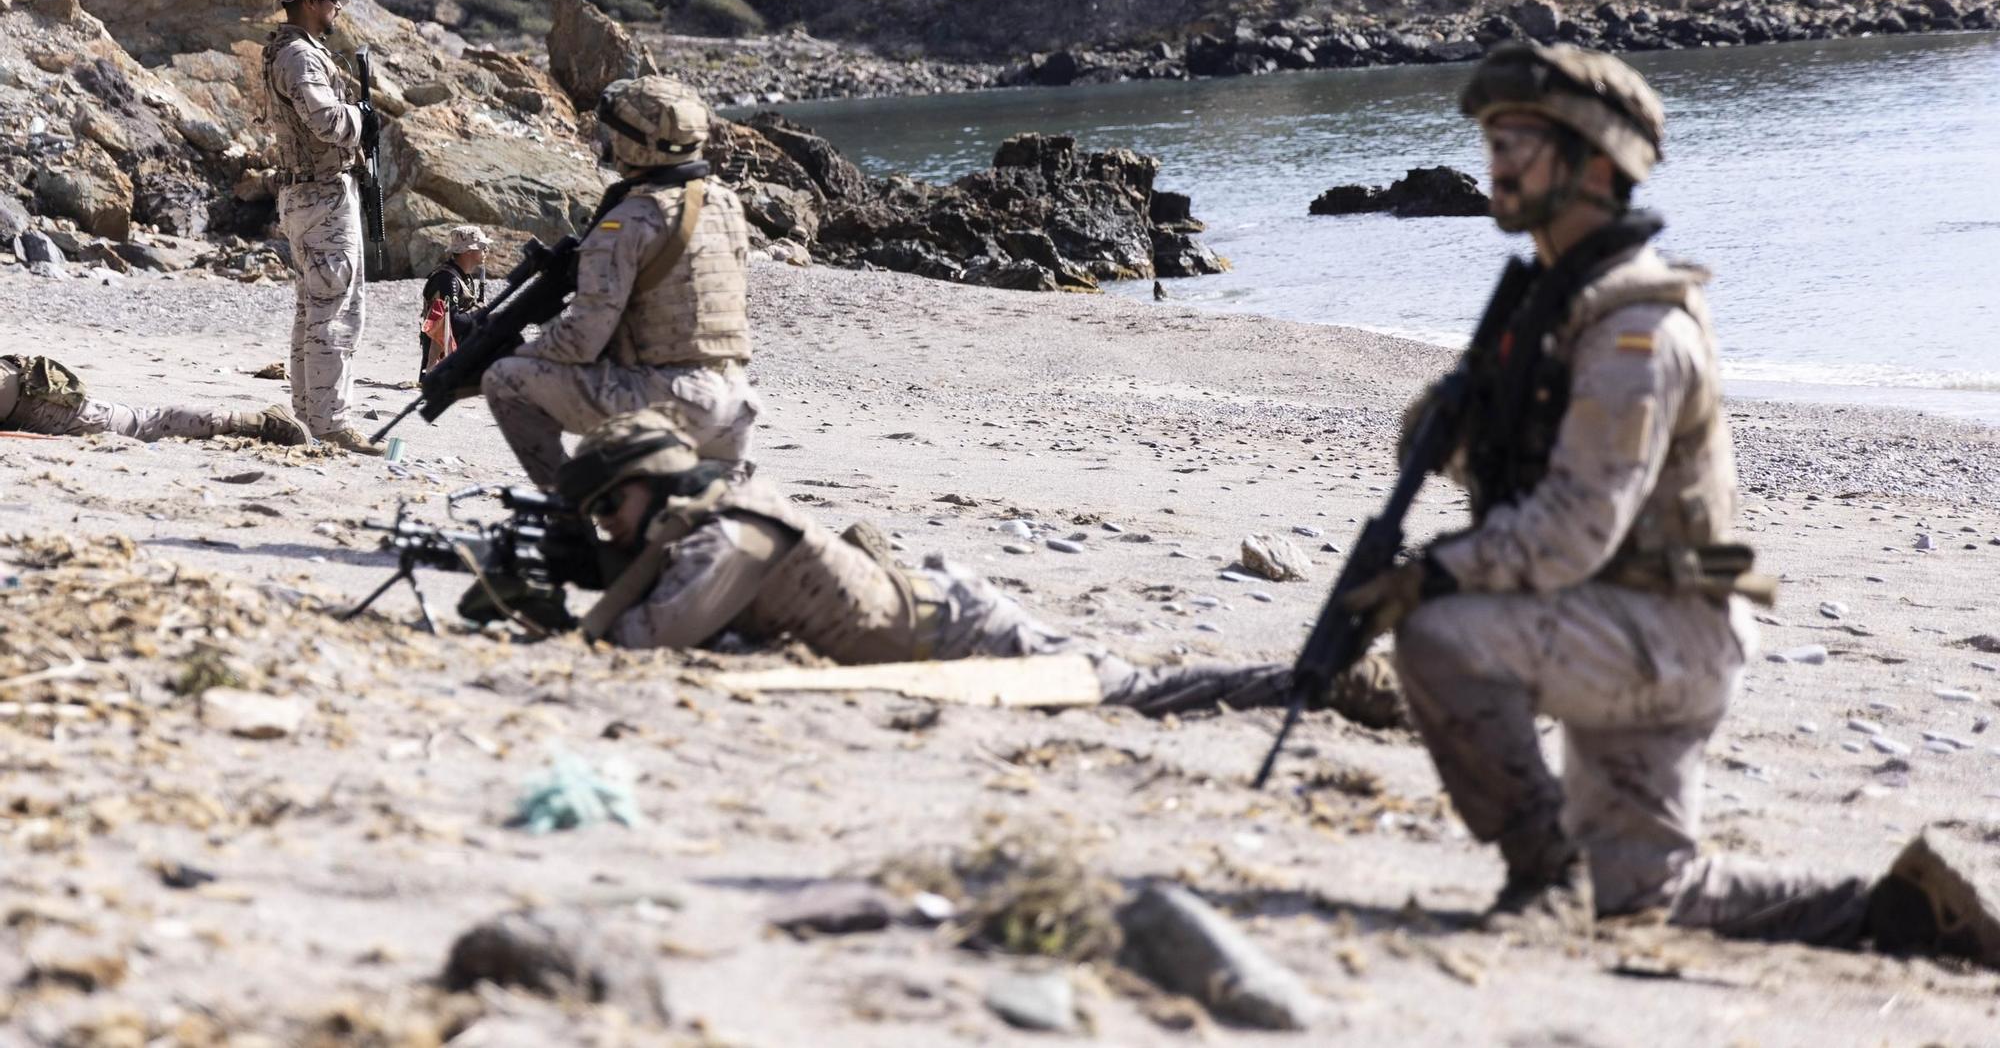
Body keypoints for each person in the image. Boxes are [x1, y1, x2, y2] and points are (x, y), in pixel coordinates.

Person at [1335, 42, 1997, 964]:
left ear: (1595, 167)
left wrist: (1430, 578)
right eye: (1492, 140)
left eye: (1519, 141)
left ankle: (1543, 874)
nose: (1496, 164)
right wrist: (1458, 419)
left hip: (1661, 630)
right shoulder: (1559, 310)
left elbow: (1573, 529)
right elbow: (1473, 460)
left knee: (1441, 634)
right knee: (1642, 893)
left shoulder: (1637, 330)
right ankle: (1895, 915)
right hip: (1629, 621)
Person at [534, 410, 1404, 725]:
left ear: (650, 489)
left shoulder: (737, 533)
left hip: (960, 635)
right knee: (1134, 683)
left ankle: (1323, 681)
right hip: (939, 630)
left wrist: (602, 588)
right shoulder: (702, 530)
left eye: (609, 507)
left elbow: (653, 636)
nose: (607, 528)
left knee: (1135, 694)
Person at [481, 77, 761, 490]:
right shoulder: (723, 202)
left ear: (635, 145)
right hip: (735, 402)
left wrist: (517, 351)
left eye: (615, 132)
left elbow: (582, 341)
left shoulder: (628, 221)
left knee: (504, 380)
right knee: (694, 541)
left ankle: (570, 512)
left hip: (670, 402)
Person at [262, 0, 388, 455]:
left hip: (307, 194)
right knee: (334, 310)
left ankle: (309, 418)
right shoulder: (301, 60)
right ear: (310, 4)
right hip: (320, 194)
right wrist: (367, 119)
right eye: (332, 1)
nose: (339, 6)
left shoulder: (294, 42)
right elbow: (329, 122)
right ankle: (331, 423)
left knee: (313, 308)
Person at [1, 354, 310, 446]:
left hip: (29, 395)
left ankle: (258, 423)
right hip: (23, 387)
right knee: (142, 421)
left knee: (145, 424)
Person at [419, 225, 489, 376]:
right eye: (482, 246)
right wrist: (479, 312)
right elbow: (452, 322)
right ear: (468, 251)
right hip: (441, 357)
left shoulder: (462, 276)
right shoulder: (448, 278)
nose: (486, 251)